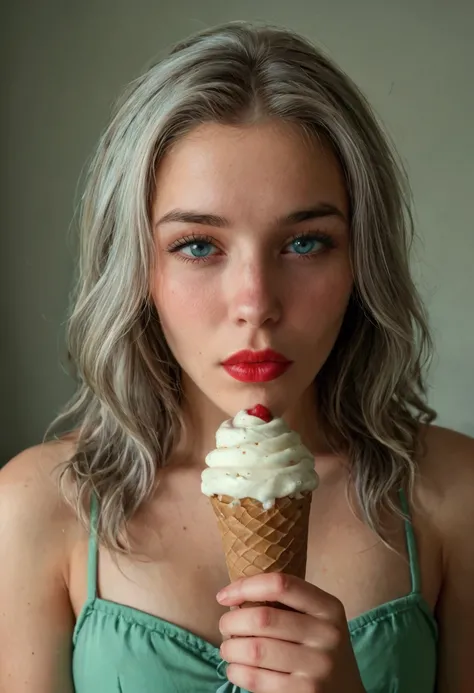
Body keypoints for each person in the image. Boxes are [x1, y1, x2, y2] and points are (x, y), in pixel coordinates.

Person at [0, 19, 472, 693]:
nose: (255, 302)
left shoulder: (458, 499)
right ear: (138, 268)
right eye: (198, 245)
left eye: (305, 242)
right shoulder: (36, 510)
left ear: (361, 260)